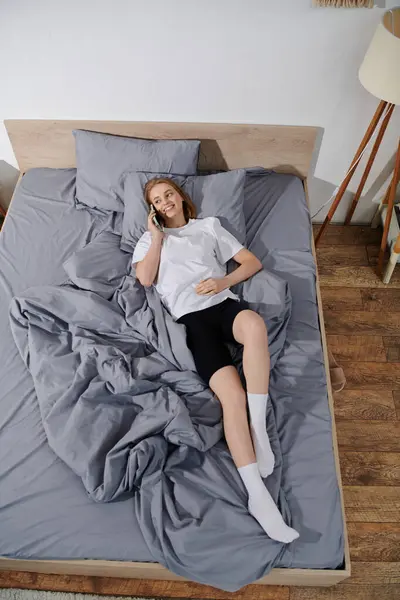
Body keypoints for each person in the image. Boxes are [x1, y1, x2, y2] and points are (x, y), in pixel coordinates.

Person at [132, 178, 299, 544]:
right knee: (231, 397)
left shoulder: (208, 227)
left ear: (180, 196)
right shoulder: (149, 242)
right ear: (153, 210)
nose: (165, 202)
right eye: (157, 201)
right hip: (193, 322)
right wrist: (157, 237)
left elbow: (250, 263)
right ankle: (258, 496)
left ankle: (258, 429)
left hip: (223, 304)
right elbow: (145, 279)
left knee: (253, 323)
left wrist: (224, 282)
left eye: (169, 195)